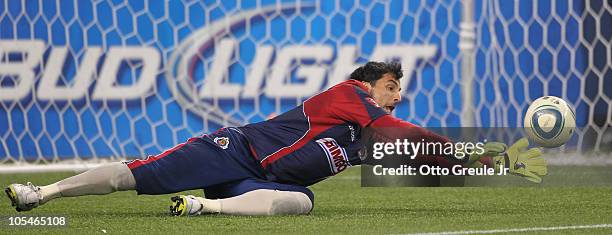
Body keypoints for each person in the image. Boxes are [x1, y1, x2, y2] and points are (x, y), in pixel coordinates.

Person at [5, 62, 546, 216]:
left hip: (255, 181)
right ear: (365, 85)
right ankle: (41, 197)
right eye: (390, 86)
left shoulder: (368, 136)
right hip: (233, 148)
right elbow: (403, 133)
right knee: (133, 174)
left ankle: (202, 208)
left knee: (302, 203)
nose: (397, 96)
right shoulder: (345, 97)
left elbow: (422, 157)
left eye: (399, 89)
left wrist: (499, 161)